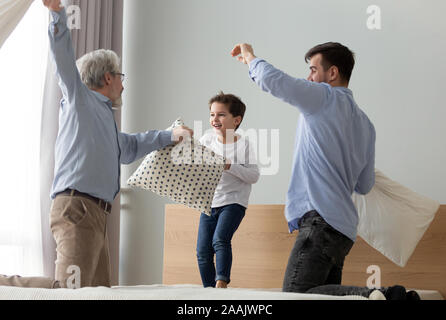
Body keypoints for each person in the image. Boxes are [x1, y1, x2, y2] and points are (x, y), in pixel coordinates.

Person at [0, 0, 192, 289]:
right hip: (77, 207)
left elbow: (128, 147)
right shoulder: (79, 99)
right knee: (67, 291)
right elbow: (62, 56)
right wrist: (56, 14)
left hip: (98, 214)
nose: (124, 84)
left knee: (100, 294)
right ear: (108, 77)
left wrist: (168, 135)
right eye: (121, 78)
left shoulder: (105, 118)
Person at [230, 42, 420, 300]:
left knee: (296, 295)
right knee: (324, 299)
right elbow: (364, 185)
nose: (309, 77)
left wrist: (249, 57)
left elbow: (274, 81)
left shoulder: (323, 97)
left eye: (312, 69)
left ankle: (378, 295)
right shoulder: (366, 124)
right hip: (344, 230)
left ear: (332, 73)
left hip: (320, 220)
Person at [196, 92, 260, 288]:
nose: (215, 119)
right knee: (202, 251)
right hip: (210, 202)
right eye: (212, 114)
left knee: (220, 239)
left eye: (221, 115)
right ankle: (210, 292)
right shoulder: (207, 140)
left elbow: (254, 176)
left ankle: (221, 285)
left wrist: (229, 165)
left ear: (236, 120)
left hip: (233, 202)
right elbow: (196, 166)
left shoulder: (243, 145)